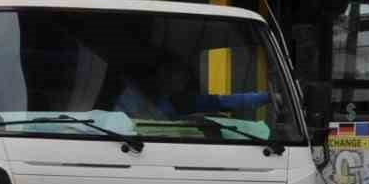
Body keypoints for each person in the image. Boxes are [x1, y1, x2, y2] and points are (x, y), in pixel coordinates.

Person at [114, 58, 270, 120]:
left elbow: (223, 101)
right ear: (162, 72)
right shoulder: (131, 97)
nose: (185, 79)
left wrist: (268, 97)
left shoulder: (183, 100)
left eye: (186, 75)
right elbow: (127, 128)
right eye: (179, 73)